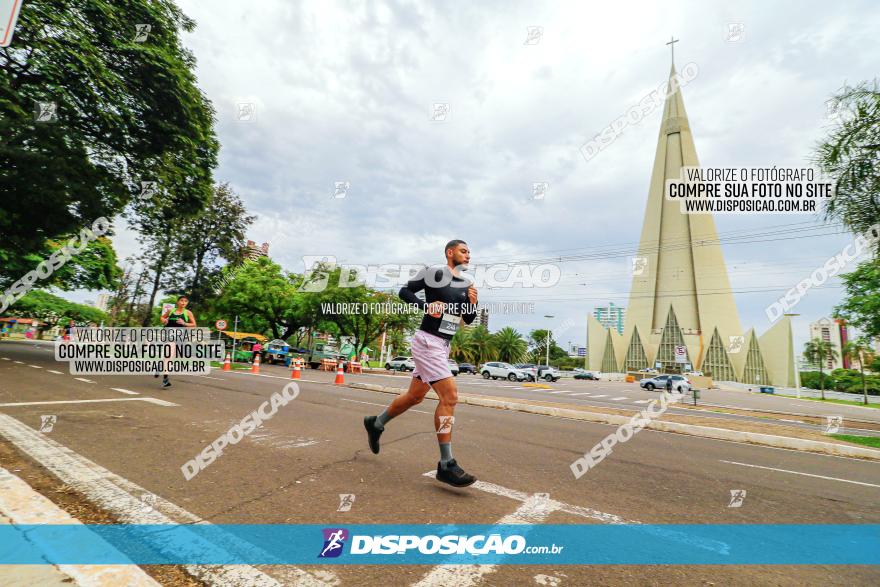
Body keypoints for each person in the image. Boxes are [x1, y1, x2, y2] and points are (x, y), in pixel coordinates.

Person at [364, 239, 479, 487]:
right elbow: (404, 291)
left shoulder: (466, 284)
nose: (468, 255)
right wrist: (427, 306)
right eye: (463, 251)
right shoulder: (434, 273)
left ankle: (376, 423)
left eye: (469, 252)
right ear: (450, 253)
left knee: (415, 396)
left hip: (443, 345)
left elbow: (467, 320)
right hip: (428, 342)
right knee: (450, 397)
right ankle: (446, 464)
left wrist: (473, 302)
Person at [158, 296, 196, 388]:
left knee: (175, 356)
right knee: (169, 355)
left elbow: (194, 325)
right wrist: (164, 321)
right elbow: (162, 318)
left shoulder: (188, 313)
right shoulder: (171, 311)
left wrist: (184, 323)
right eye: (181, 300)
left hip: (181, 337)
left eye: (186, 301)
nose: (183, 302)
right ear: (178, 302)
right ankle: (165, 379)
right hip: (169, 336)